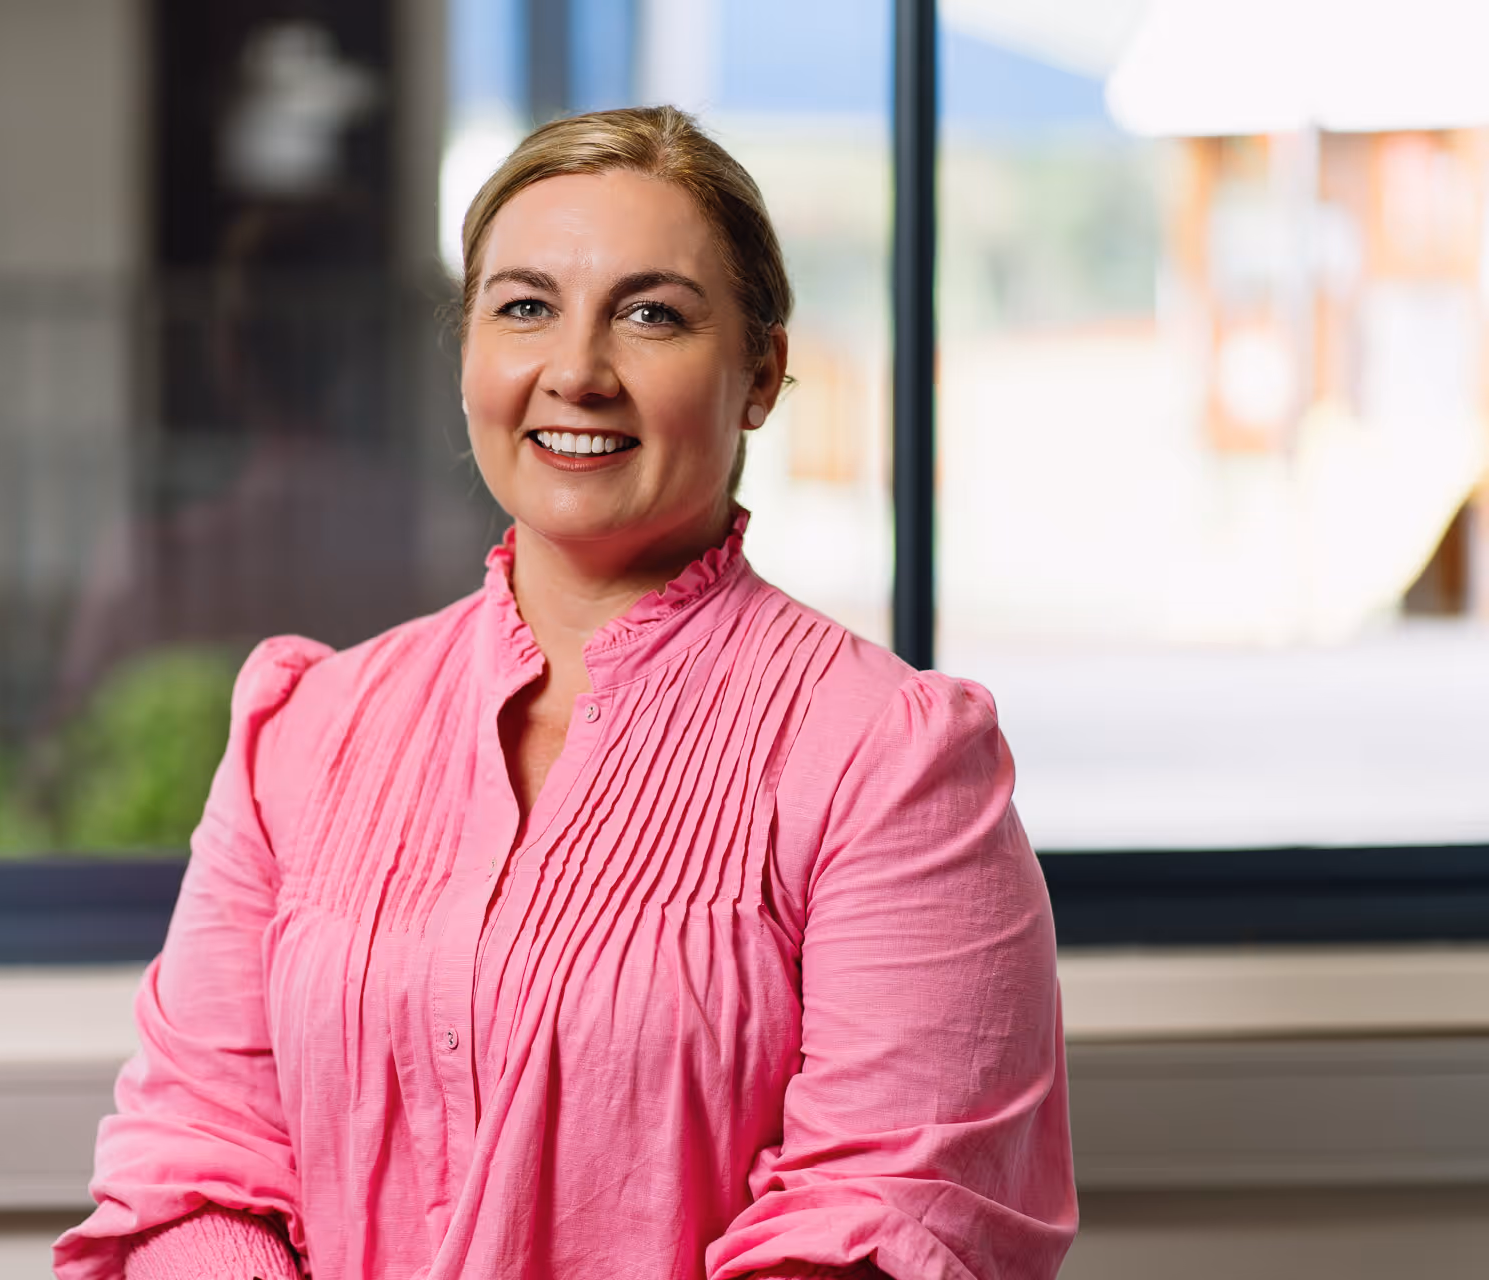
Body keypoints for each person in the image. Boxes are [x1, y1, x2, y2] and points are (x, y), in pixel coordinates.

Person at [53, 105, 1076, 1280]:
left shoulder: (889, 763)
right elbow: (192, 1161)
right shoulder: (306, 731)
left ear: (763, 374)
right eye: (526, 306)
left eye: (653, 314)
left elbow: (895, 1222)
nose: (577, 372)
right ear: (470, 353)